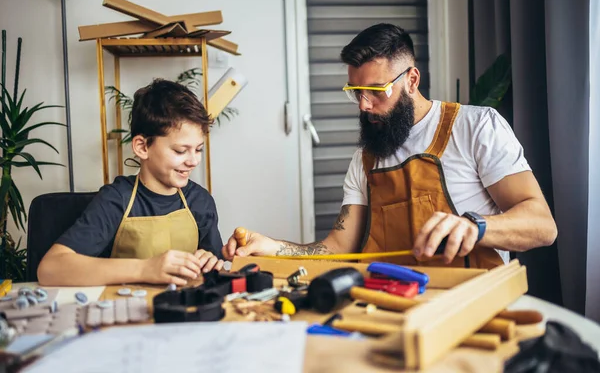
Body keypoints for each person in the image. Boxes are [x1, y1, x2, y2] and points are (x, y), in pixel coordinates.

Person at [222, 23, 557, 269]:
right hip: (392, 307)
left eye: (376, 91)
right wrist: (274, 247)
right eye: (355, 91)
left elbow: (542, 226)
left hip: (471, 305)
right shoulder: (364, 161)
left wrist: (476, 225)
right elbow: (337, 248)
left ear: (411, 80)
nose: (363, 105)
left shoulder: (476, 126)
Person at [38, 79, 224, 286]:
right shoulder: (116, 200)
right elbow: (50, 269)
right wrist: (145, 268)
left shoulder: (200, 201)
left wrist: (213, 262)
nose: (194, 161)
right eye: (180, 151)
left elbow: (218, 267)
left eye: (198, 149)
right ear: (142, 147)